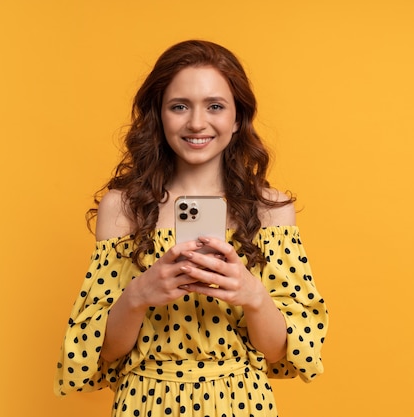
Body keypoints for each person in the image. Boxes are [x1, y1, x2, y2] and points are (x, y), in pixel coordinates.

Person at [54, 40, 328, 416]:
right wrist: (138, 295)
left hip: (241, 402)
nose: (197, 122)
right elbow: (97, 351)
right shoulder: (122, 208)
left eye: (215, 106)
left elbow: (284, 351)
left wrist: (253, 295)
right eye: (179, 106)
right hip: (145, 403)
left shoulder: (271, 210)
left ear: (237, 118)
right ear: (159, 115)